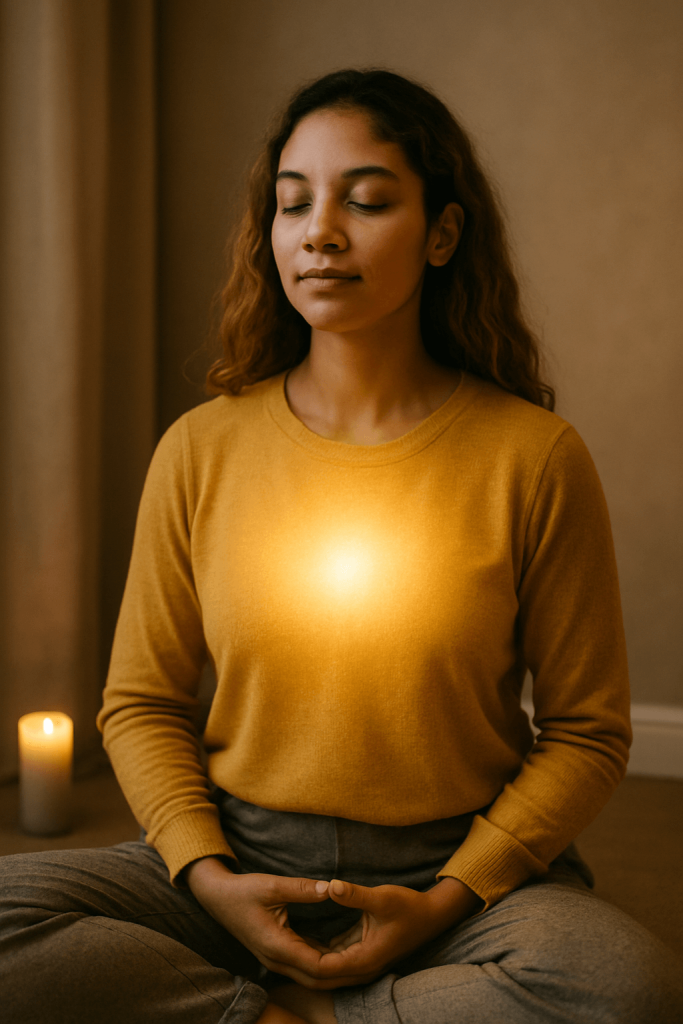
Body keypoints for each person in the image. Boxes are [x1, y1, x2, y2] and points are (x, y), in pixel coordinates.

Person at [1, 67, 682, 1024]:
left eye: (363, 201)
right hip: (239, 859)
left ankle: (335, 1005)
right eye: (292, 204)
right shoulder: (199, 449)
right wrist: (205, 877)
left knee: (629, 991)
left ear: (441, 234)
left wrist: (450, 896)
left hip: (454, 873)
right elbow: (142, 701)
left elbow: (586, 731)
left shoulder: (533, 457)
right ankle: (284, 1007)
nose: (320, 230)